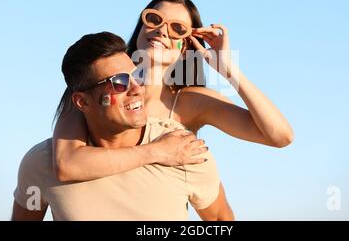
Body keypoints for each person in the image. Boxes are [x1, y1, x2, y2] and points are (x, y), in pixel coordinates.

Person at [53, 0, 294, 183]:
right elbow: (67, 165)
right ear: (141, 26)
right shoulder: (96, 89)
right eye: (154, 20)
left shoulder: (193, 103)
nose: (161, 31)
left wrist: (227, 68)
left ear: (186, 46)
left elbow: (280, 136)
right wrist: (157, 151)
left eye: (177, 29)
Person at [12, 32, 233, 220]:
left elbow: (221, 220)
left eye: (137, 75)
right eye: (119, 82)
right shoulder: (39, 165)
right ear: (83, 102)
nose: (137, 88)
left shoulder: (184, 151)